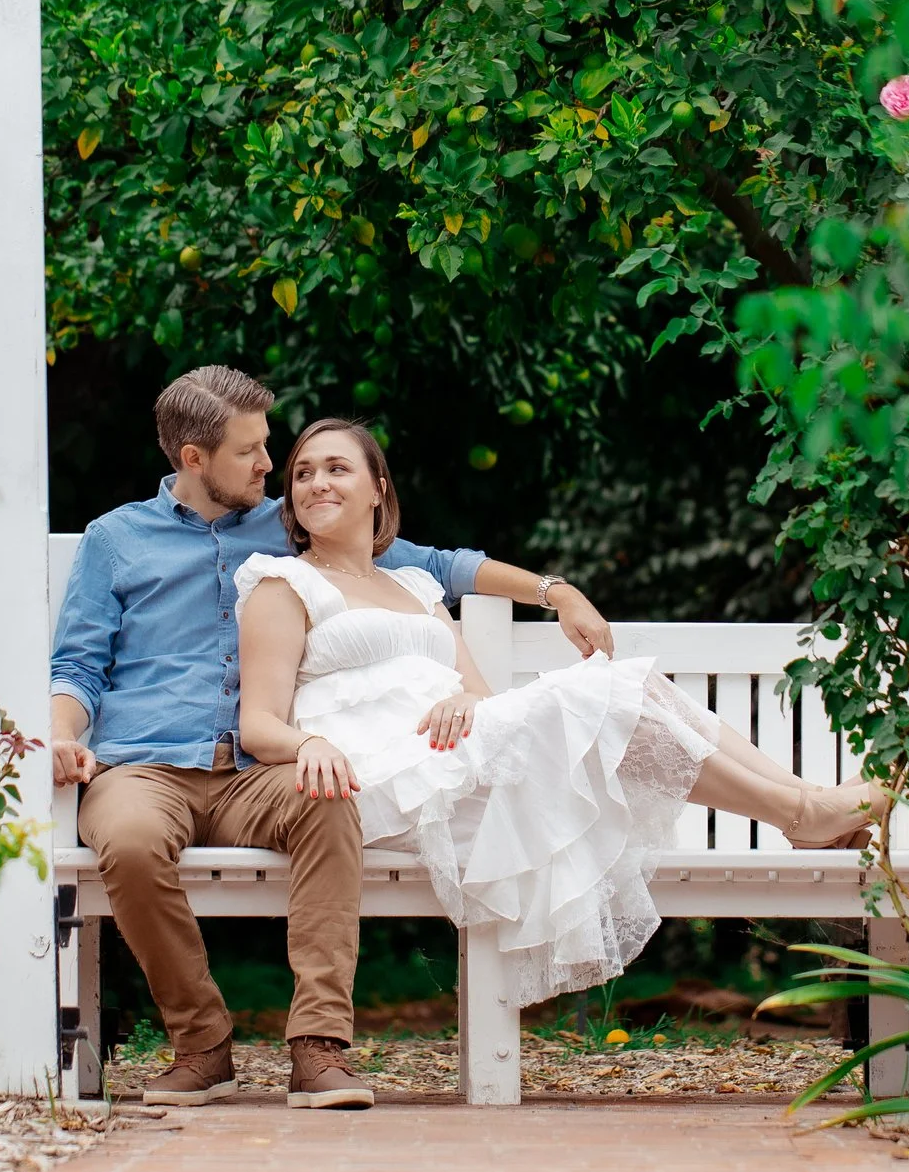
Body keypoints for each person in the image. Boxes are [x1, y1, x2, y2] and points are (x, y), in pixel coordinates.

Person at [50, 367, 618, 1111]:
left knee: (328, 797)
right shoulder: (115, 540)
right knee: (124, 840)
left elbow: (443, 566)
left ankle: (319, 1046)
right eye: (251, 451)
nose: (268, 466)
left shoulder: (287, 523)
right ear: (194, 458)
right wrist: (63, 735)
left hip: (265, 760)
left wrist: (555, 590)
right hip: (146, 764)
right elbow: (78, 664)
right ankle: (201, 1042)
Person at [235, 419, 891, 1016]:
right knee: (608, 690)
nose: (316, 481)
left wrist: (469, 698)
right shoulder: (282, 582)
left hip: (459, 757)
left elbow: (487, 703)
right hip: (383, 776)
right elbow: (259, 723)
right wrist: (312, 742)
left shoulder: (416, 587)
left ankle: (802, 807)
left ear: (378, 488)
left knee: (628, 686)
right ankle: (800, 812)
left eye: (336, 467)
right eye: (302, 472)